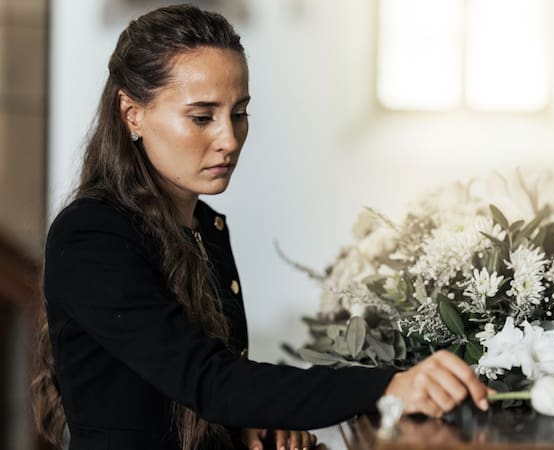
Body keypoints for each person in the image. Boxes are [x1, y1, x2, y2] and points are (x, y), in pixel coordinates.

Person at [30, 5, 490, 450]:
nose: (229, 139)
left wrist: (245, 424)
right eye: (201, 116)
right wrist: (389, 385)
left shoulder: (202, 226)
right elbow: (208, 379)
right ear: (133, 113)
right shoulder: (91, 234)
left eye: (239, 113)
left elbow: (193, 389)